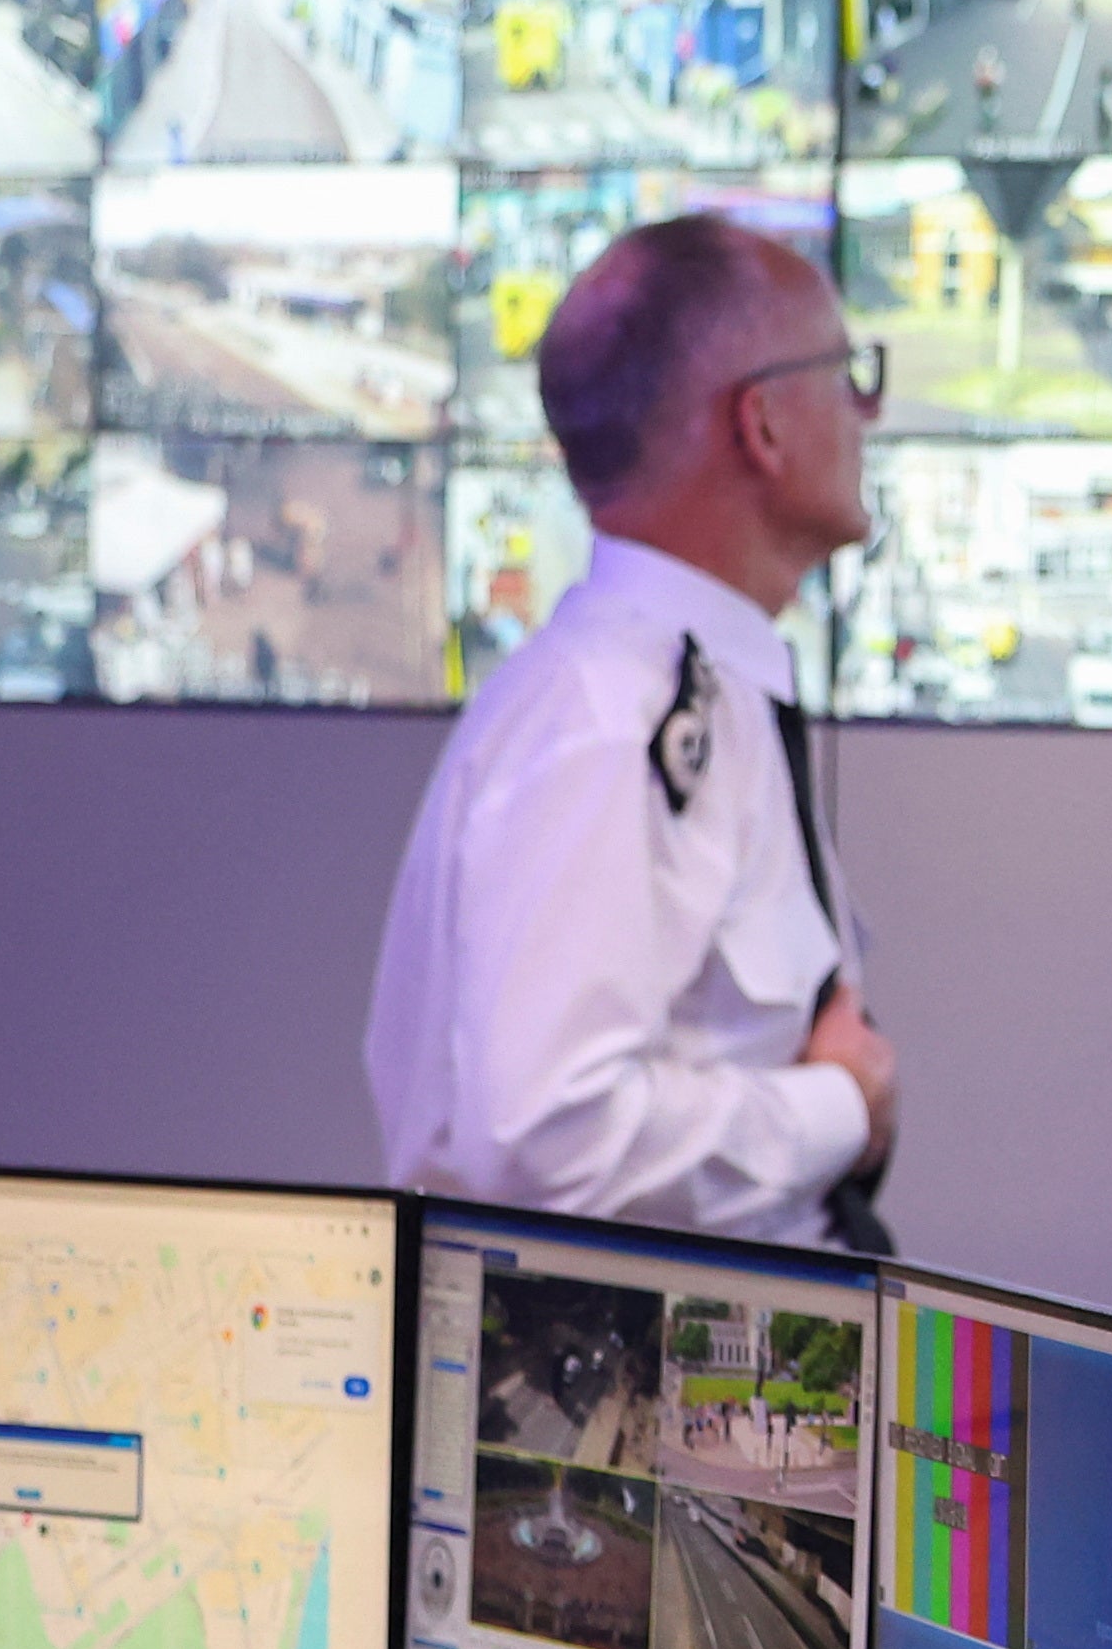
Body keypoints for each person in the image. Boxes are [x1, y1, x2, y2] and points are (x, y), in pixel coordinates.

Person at [367, 218, 900, 1247]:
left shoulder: (685, 694)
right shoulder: (613, 723)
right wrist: (838, 1105)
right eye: (848, 374)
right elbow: (542, 1142)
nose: (868, 412)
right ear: (764, 426)